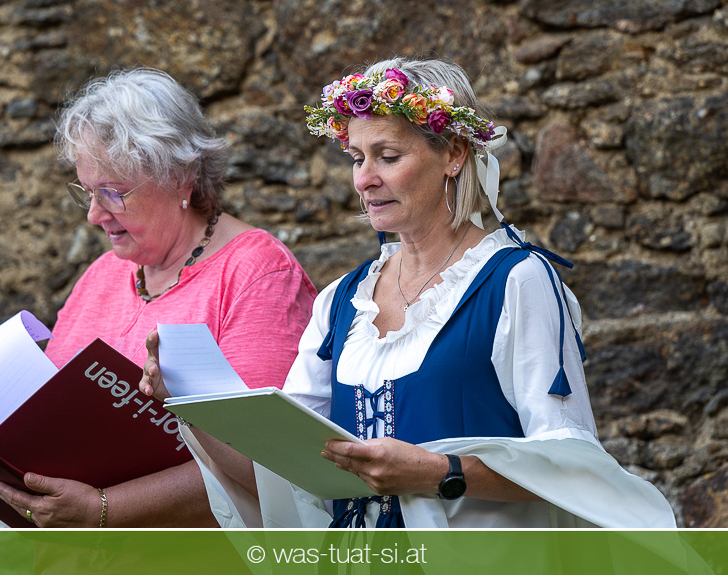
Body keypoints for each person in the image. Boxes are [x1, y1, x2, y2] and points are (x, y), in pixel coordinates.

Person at [141, 57, 677, 528]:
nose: (364, 179)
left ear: (454, 154)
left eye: (388, 156)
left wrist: (438, 472)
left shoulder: (516, 281)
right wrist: (189, 404)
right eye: (357, 158)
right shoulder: (340, 303)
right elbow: (280, 473)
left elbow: (574, 468)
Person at [0, 68, 316, 527]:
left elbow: (267, 467)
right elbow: (43, 417)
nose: (95, 215)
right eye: (87, 192)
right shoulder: (103, 274)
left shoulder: (258, 273)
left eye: (113, 193)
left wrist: (104, 509)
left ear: (180, 178)